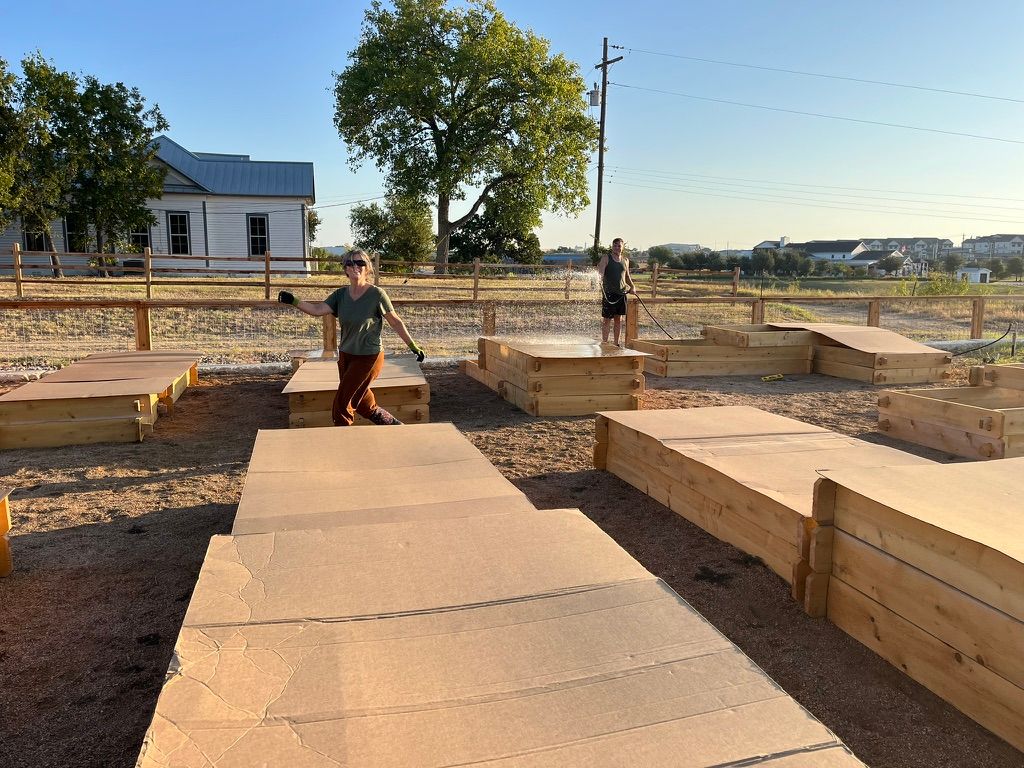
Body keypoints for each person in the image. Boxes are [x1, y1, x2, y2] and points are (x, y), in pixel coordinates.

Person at [277, 249, 425, 426]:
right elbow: (317, 310)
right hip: (346, 356)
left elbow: (395, 322)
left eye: (360, 263)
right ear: (345, 269)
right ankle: (395, 426)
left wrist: (413, 346)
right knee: (364, 404)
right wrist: (294, 300)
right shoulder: (340, 295)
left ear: (367, 268)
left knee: (342, 405)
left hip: (369, 357)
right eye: (350, 263)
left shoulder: (377, 295)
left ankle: (344, 442)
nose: (355, 266)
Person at [597, 237, 636, 346]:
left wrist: (632, 287)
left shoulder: (626, 260)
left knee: (619, 319)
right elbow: (601, 272)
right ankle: (604, 343)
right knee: (607, 320)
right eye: (615, 245)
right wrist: (599, 278)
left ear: (622, 247)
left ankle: (616, 343)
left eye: (619, 246)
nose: (617, 248)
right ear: (612, 246)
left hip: (621, 294)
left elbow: (627, 276)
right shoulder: (606, 258)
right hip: (609, 293)